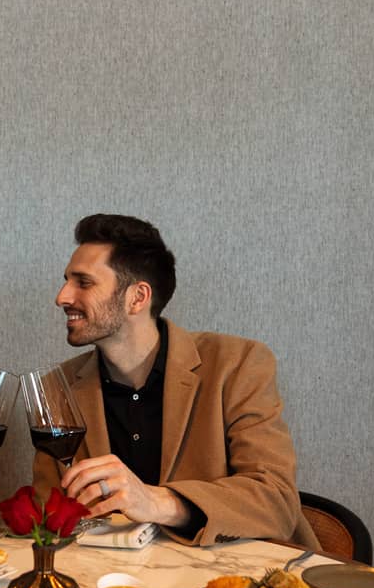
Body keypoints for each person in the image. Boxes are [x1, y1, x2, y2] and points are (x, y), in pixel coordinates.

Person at [32, 214, 319, 549]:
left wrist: (158, 502)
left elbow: (276, 500)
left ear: (137, 298)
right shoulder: (58, 386)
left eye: (83, 283)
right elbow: (47, 515)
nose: (62, 297)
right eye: (67, 281)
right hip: (109, 576)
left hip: (238, 575)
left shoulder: (237, 365)